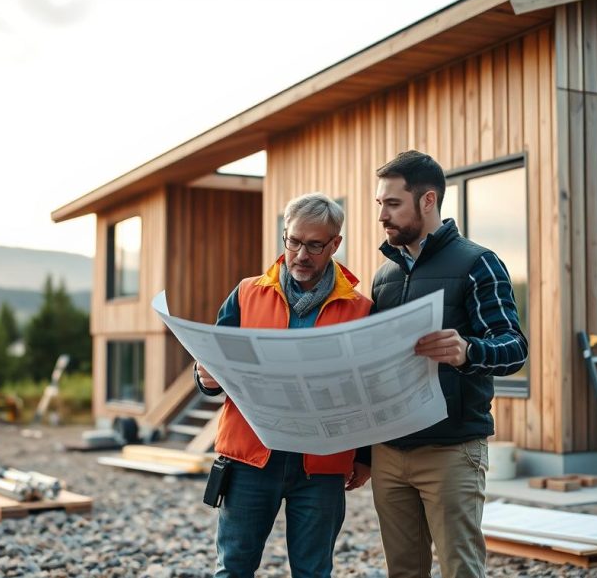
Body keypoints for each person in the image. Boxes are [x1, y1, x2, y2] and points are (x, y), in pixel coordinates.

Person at [194, 192, 373, 578]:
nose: (301, 255)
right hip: (250, 461)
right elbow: (214, 365)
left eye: (314, 245)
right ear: (284, 236)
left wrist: (365, 457)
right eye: (293, 241)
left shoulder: (361, 309)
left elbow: (369, 389)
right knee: (234, 568)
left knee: (313, 572)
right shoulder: (245, 294)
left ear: (335, 244)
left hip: (321, 466)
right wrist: (204, 378)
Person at [369, 150, 528, 578]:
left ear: (428, 200)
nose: (382, 215)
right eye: (379, 204)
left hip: (451, 450)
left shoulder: (478, 263)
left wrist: (468, 351)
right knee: (403, 571)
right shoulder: (384, 275)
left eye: (392, 203)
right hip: (389, 451)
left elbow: (514, 347)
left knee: (461, 569)